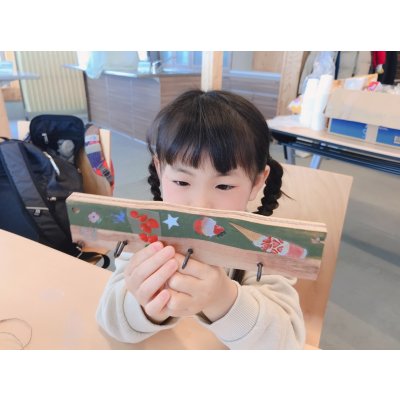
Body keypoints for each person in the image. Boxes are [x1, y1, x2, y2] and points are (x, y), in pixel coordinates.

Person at [96, 90, 305, 349]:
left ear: (256, 183)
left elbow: (286, 345)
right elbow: (110, 321)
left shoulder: (266, 247)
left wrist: (222, 298)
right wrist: (145, 307)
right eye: (182, 182)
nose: (200, 206)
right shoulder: (146, 233)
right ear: (160, 170)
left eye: (224, 186)